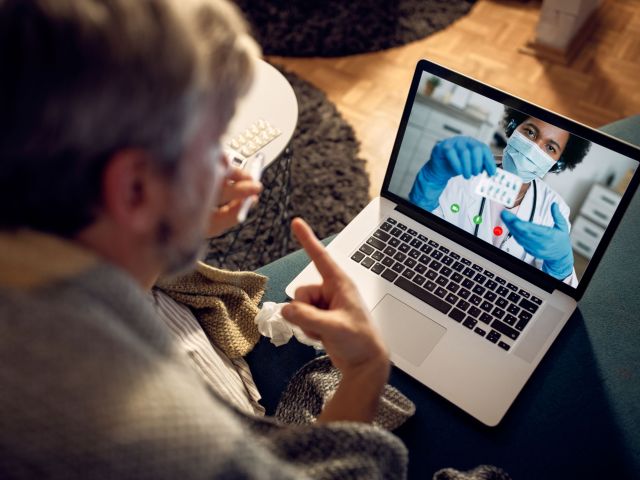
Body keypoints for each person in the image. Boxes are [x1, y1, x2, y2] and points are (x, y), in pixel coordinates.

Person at [0, 0, 406, 477]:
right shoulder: (160, 434)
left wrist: (167, 225)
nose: (224, 165)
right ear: (133, 187)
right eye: (212, 144)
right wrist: (364, 371)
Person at [409, 108, 591, 286]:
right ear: (513, 127)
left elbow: (557, 294)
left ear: (557, 164)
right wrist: (429, 183)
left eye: (550, 147)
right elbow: (417, 233)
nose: (532, 150)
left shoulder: (554, 209)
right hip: (439, 275)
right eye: (530, 132)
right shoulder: (462, 172)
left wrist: (560, 268)